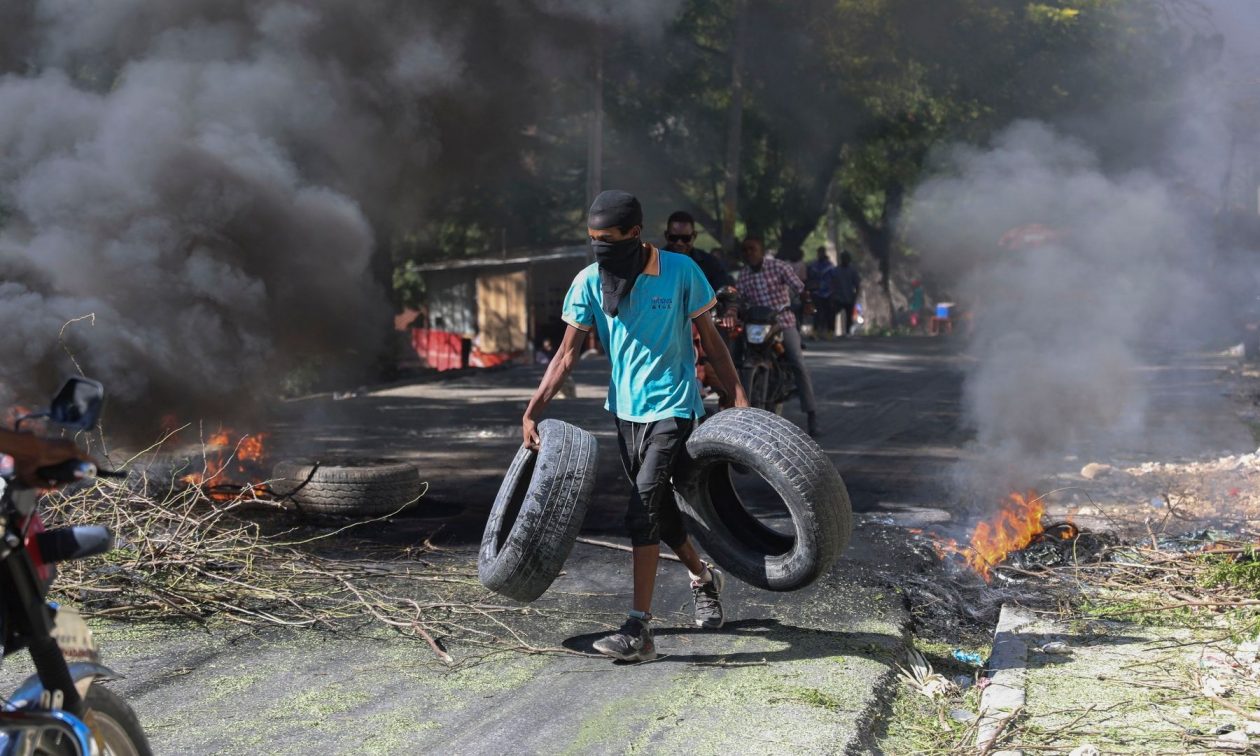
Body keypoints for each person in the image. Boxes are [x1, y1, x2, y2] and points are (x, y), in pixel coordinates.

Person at [522, 190, 749, 663]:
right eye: (593, 240)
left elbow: (711, 341)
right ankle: (703, 578)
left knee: (641, 505)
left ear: (634, 233)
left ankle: (639, 630)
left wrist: (738, 396)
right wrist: (534, 408)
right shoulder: (589, 282)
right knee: (658, 511)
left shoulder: (681, 272)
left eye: (608, 239)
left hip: (674, 407)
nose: (600, 247)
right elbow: (566, 354)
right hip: (625, 413)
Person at [734, 236, 819, 436]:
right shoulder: (743, 276)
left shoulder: (779, 267)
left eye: (752, 249)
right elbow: (739, 300)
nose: (749, 253)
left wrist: (807, 300)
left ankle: (811, 414)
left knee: (797, 362)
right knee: (736, 357)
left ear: (761, 251)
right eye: (745, 250)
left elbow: (799, 287)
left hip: (782, 323)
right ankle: (738, 411)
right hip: (756, 326)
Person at [806, 246, 838, 339]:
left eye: (821, 252)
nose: (820, 254)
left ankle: (830, 332)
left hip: (828, 293)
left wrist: (834, 292)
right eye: (818, 252)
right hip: (817, 293)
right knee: (816, 313)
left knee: (829, 313)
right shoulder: (813, 266)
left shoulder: (830, 266)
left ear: (824, 253)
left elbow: (834, 279)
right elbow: (809, 278)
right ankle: (815, 331)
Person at [834, 250, 861, 336]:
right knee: (833, 314)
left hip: (849, 296)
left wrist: (855, 295)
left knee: (849, 315)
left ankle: (848, 331)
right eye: (843, 258)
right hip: (838, 297)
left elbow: (857, 284)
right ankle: (831, 330)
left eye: (846, 258)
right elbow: (832, 283)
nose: (845, 260)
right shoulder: (836, 270)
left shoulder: (852, 271)